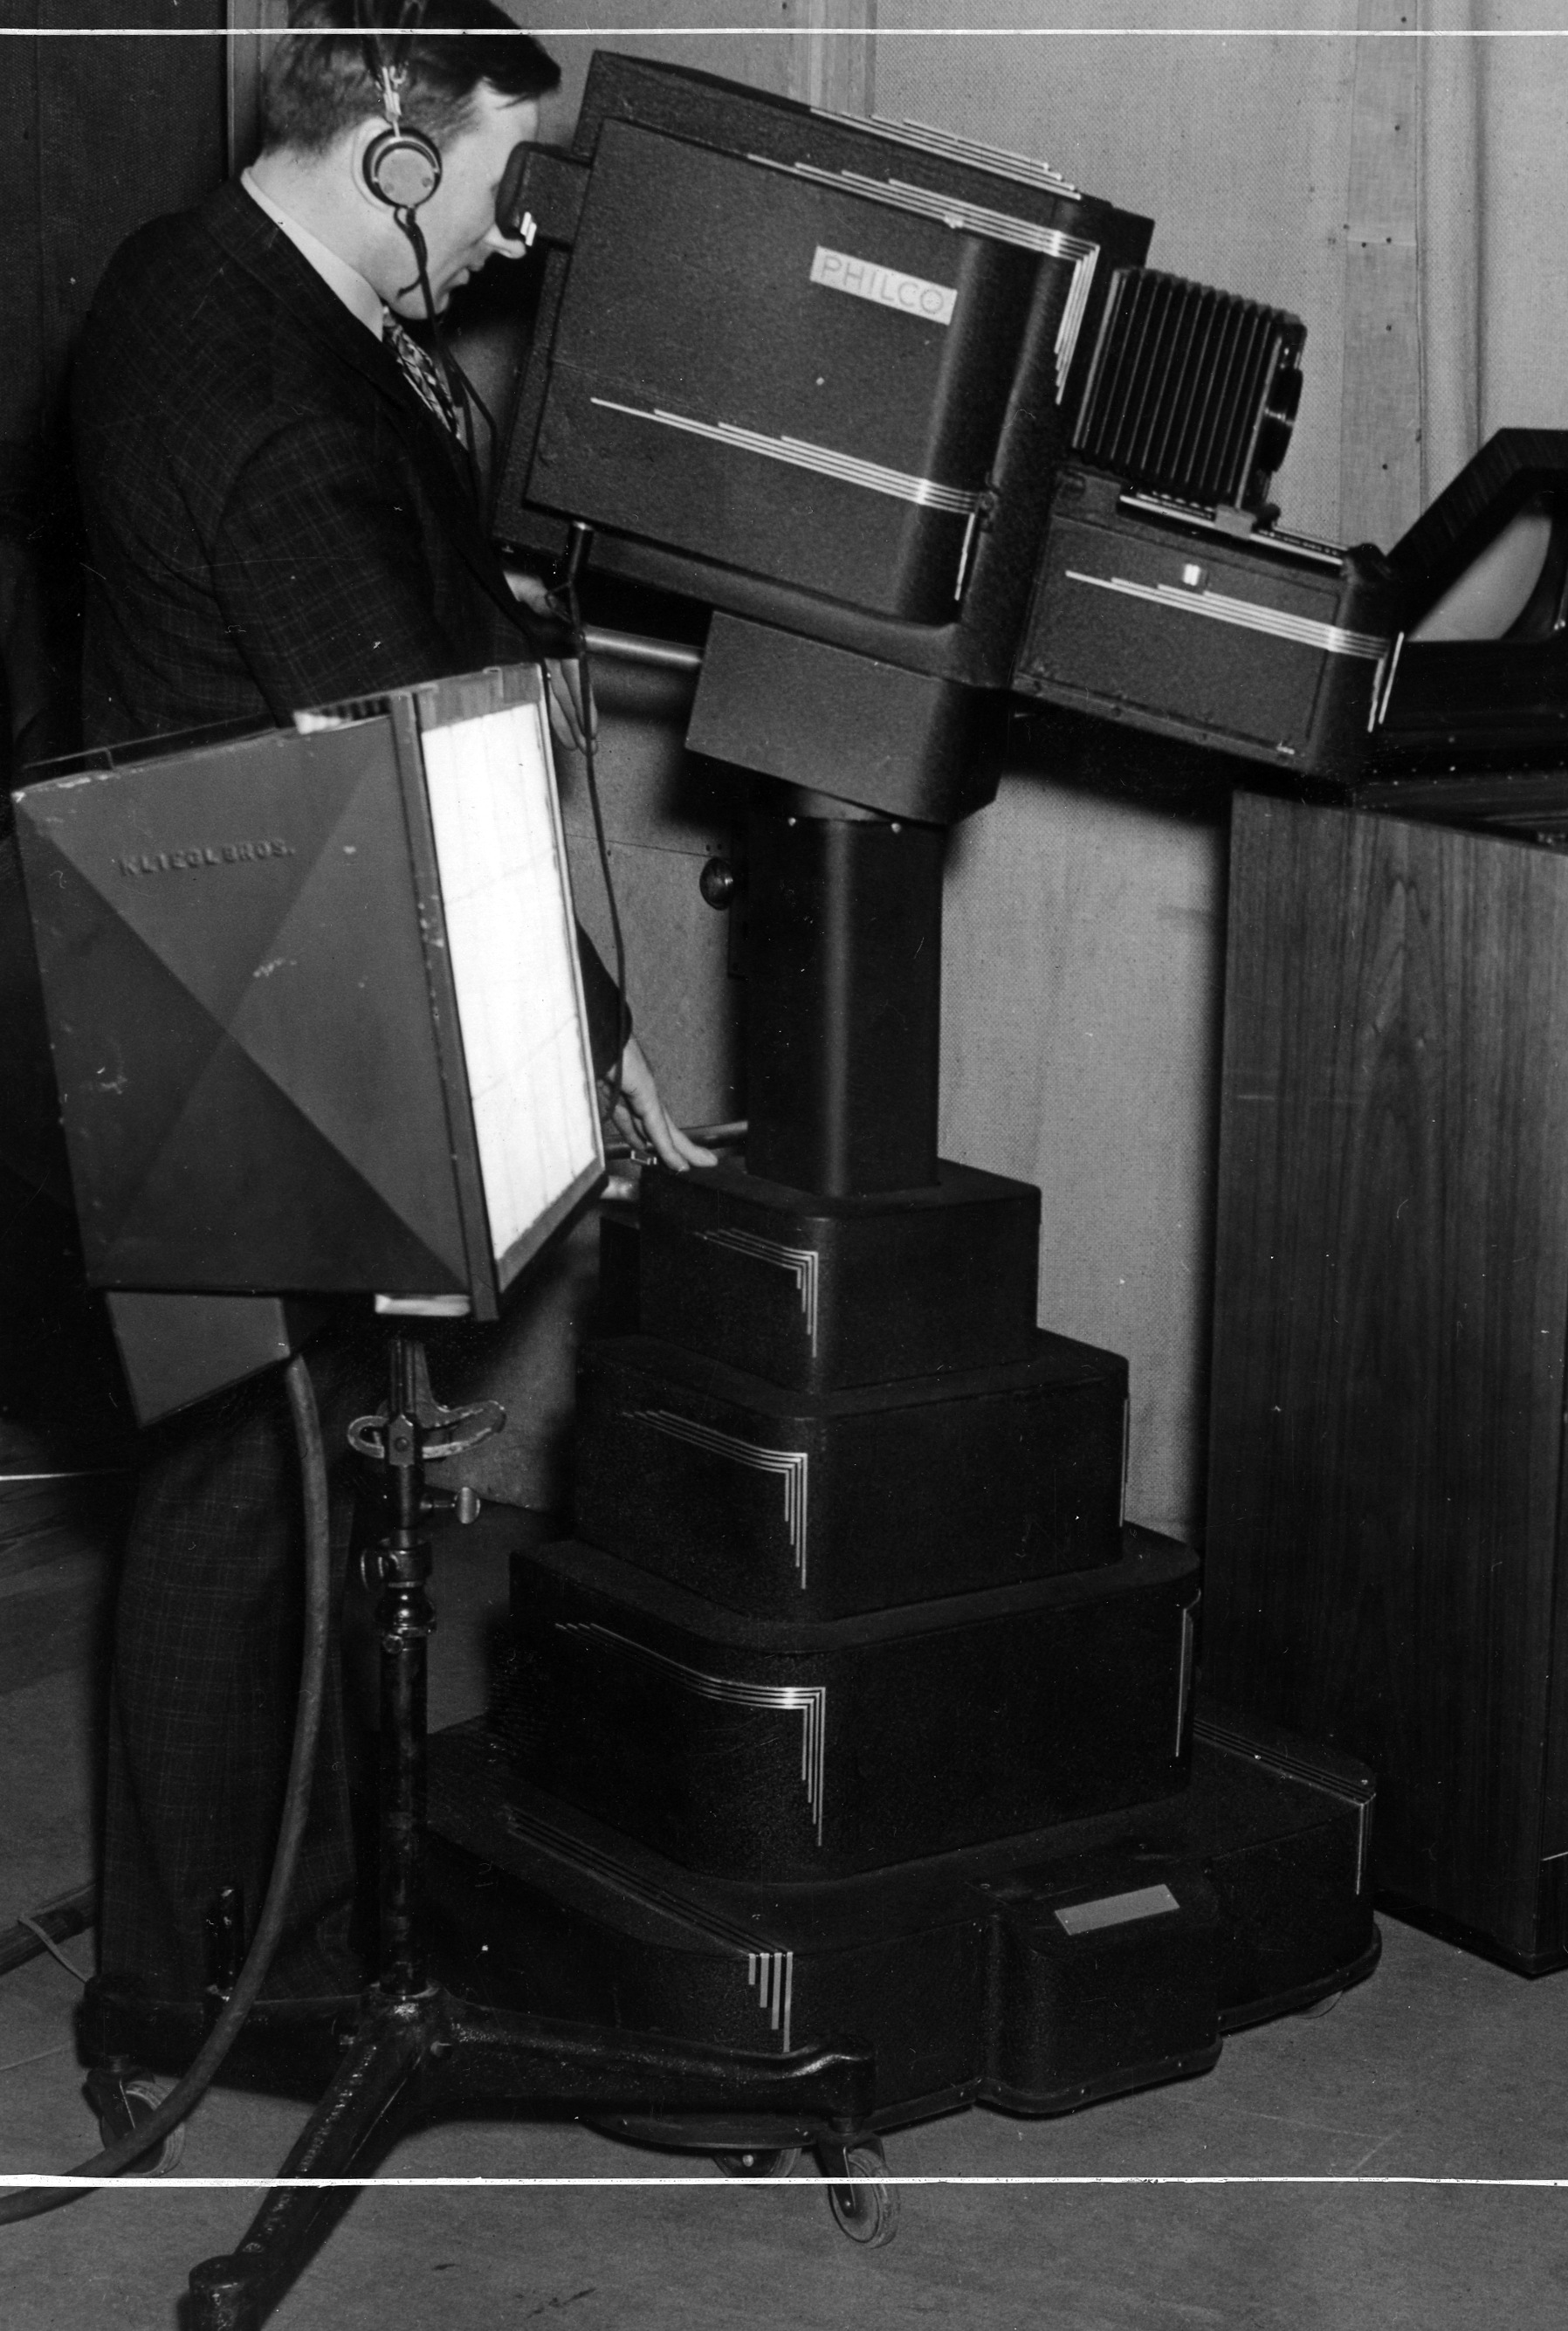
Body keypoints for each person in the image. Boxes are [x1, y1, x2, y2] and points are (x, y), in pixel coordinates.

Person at [65, 0, 709, 2108]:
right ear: (402, 148)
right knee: (253, 1484)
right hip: (249, 971)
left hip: (201, 928)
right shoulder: (289, 409)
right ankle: (198, 1984)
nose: (521, 240)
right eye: (508, 184)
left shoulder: (202, 272)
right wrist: (597, 1037)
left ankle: (295, 1907)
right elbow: (423, 752)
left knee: (291, 1466)